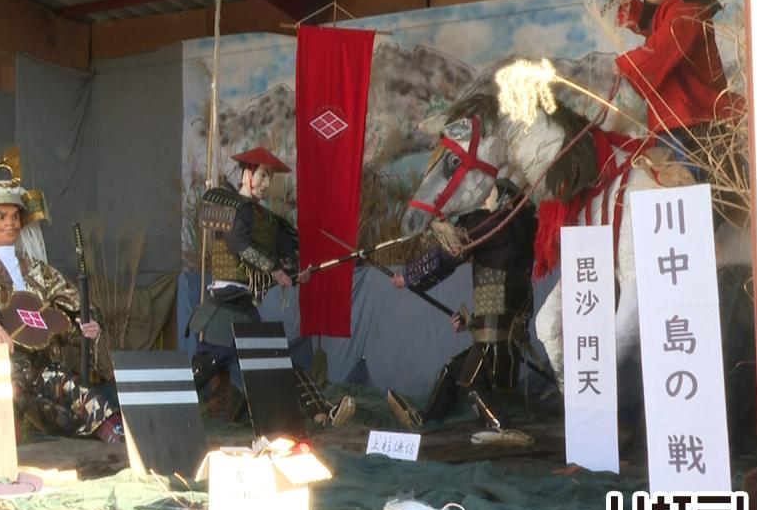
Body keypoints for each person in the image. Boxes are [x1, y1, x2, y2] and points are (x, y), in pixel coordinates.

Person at [0, 143, 122, 443]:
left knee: (76, 391)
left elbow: (72, 300)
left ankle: (113, 432)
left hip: (40, 362)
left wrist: (87, 322)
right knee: (9, 393)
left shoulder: (37, 269)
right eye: (0, 216)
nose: (9, 222)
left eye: (14, 216)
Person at [188, 146, 354, 428]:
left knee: (278, 364)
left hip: (248, 313)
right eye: (263, 175)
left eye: (270, 178)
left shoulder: (269, 221)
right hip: (222, 313)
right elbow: (238, 244)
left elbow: (284, 258)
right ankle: (149, 410)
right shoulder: (228, 206)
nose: (266, 184)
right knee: (201, 371)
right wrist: (276, 269)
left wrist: (296, 271)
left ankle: (323, 413)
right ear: (247, 174)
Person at [386, 180, 537, 444]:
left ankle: (501, 426)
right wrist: (471, 322)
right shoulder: (520, 217)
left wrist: (407, 277)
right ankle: (428, 418)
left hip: (501, 315)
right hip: (507, 311)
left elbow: (449, 254)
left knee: (472, 381)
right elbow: (498, 297)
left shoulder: (490, 222)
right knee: (454, 370)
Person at [615, 0, 743, 173]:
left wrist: (624, 65)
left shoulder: (687, 10)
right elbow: (653, 27)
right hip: (677, 120)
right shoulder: (673, 10)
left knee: (689, 187)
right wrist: (626, 5)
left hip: (692, 121)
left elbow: (661, 49)